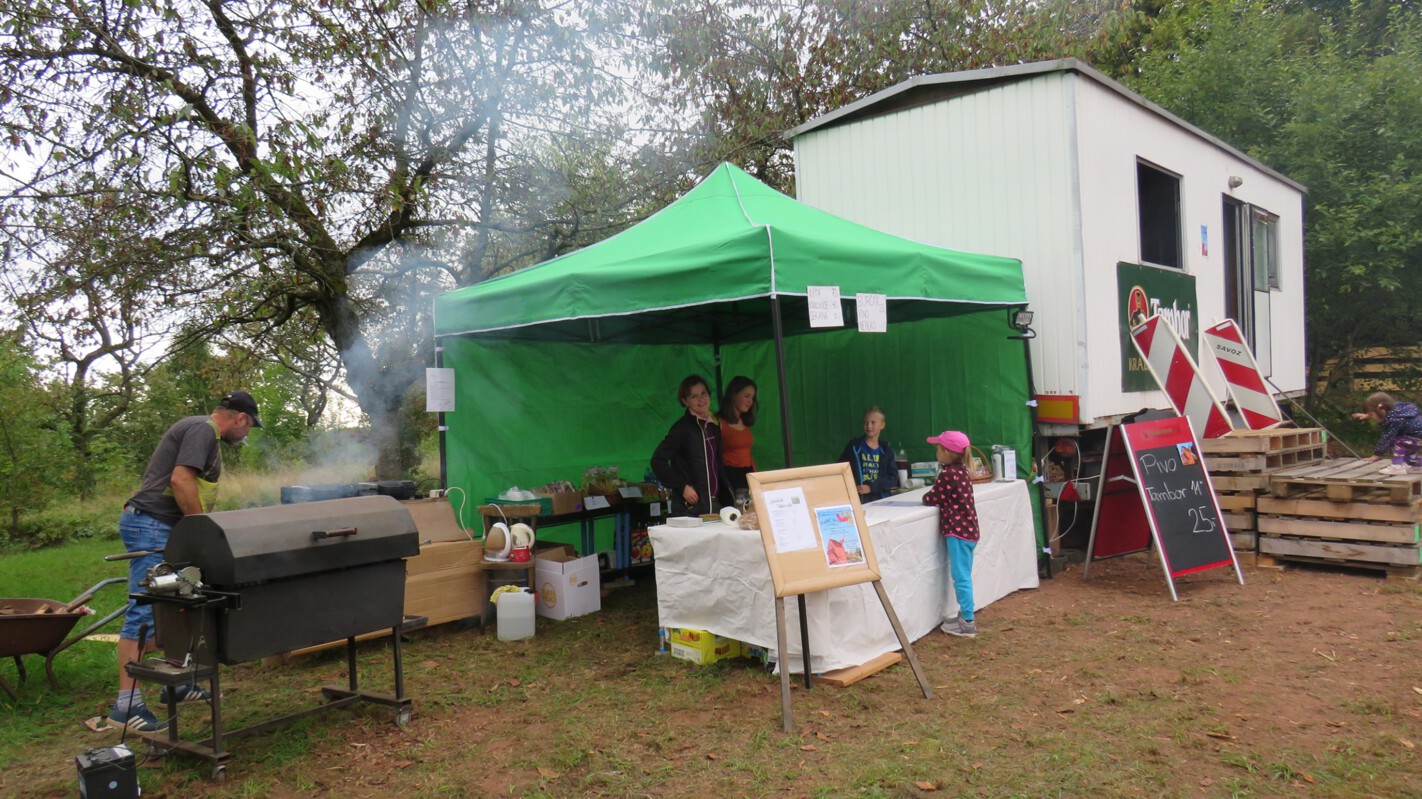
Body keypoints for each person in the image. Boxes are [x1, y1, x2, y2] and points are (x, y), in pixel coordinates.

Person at [108, 390, 263, 732]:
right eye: (249, 426)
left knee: (180, 602)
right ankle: (125, 706)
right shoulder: (203, 430)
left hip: (166, 527)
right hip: (151, 526)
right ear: (240, 418)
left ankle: (176, 685)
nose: (247, 433)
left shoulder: (204, 431)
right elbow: (180, 479)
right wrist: (198, 530)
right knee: (145, 612)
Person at [922, 430, 980, 638]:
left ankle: (967, 622)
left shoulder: (948, 475)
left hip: (958, 533)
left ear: (946, 452)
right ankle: (964, 616)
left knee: (961, 577)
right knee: (964, 574)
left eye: (938, 448)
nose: (936, 451)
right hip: (969, 531)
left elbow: (931, 498)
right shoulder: (961, 471)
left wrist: (928, 494)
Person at [651, 374, 730, 516]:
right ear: (685, 401)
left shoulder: (714, 424)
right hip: (691, 508)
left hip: (716, 503)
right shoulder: (682, 428)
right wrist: (682, 487)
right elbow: (657, 461)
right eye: (694, 396)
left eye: (703, 393)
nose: (701, 399)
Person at [838, 406, 899, 503]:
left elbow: (893, 478)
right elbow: (840, 469)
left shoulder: (886, 450)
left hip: (881, 500)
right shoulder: (854, 446)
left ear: (882, 425)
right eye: (865, 423)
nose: (869, 426)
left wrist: (871, 487)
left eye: (873, 422)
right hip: (858, 499)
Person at [1352, 391, 1422, 475]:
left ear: (1381, 410)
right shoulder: (1399, 410)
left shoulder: (1394, 420)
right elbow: (1380, 412)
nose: (1372, 417)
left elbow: (1387, 437)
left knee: (1396, 442)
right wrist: (1368, 415)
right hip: (1416, 436)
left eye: (1371, 414)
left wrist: (1376, 455)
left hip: (1417, 437)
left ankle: (1397, 467)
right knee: (1408, 449)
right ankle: (1418, 466)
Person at [718, 376, 758, 494]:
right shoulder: (718, 423)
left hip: (748, 474)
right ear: (733, 395)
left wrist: (755, 476)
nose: (750, 401)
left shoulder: (744, 421)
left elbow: (747, 454)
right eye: (747, 396)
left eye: (752, 398)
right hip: (730, 476)